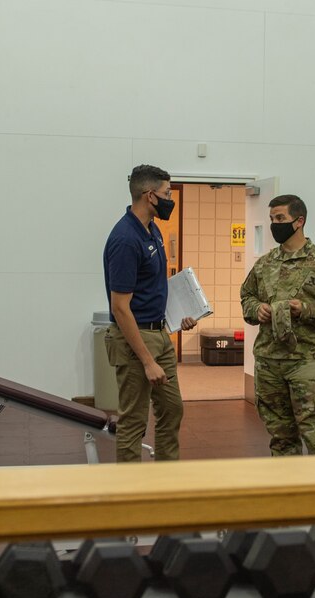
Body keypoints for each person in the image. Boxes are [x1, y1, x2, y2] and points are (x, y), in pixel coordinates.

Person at [240, 194, 315, 456]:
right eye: (271, 219)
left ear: (299, 221)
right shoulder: (265, 264)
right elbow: (247, 297)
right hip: (269, 360)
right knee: (280, 435)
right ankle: (289, 490)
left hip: (306, 361)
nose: (274, 224)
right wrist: (258, 310)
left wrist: (306, 309)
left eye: (280, 218)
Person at [102, 164, 197, 462]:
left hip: (159, 333)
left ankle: (165, 479)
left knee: (172, 409)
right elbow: (120, 307)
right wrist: (146, 361)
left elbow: (151, 289)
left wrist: (178, 314)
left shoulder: (152, 229)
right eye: (167, 193)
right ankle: (133, 494)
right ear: (149, 195)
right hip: (135, 340)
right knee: (134, 420)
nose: (170, 198)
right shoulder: (125, 239)